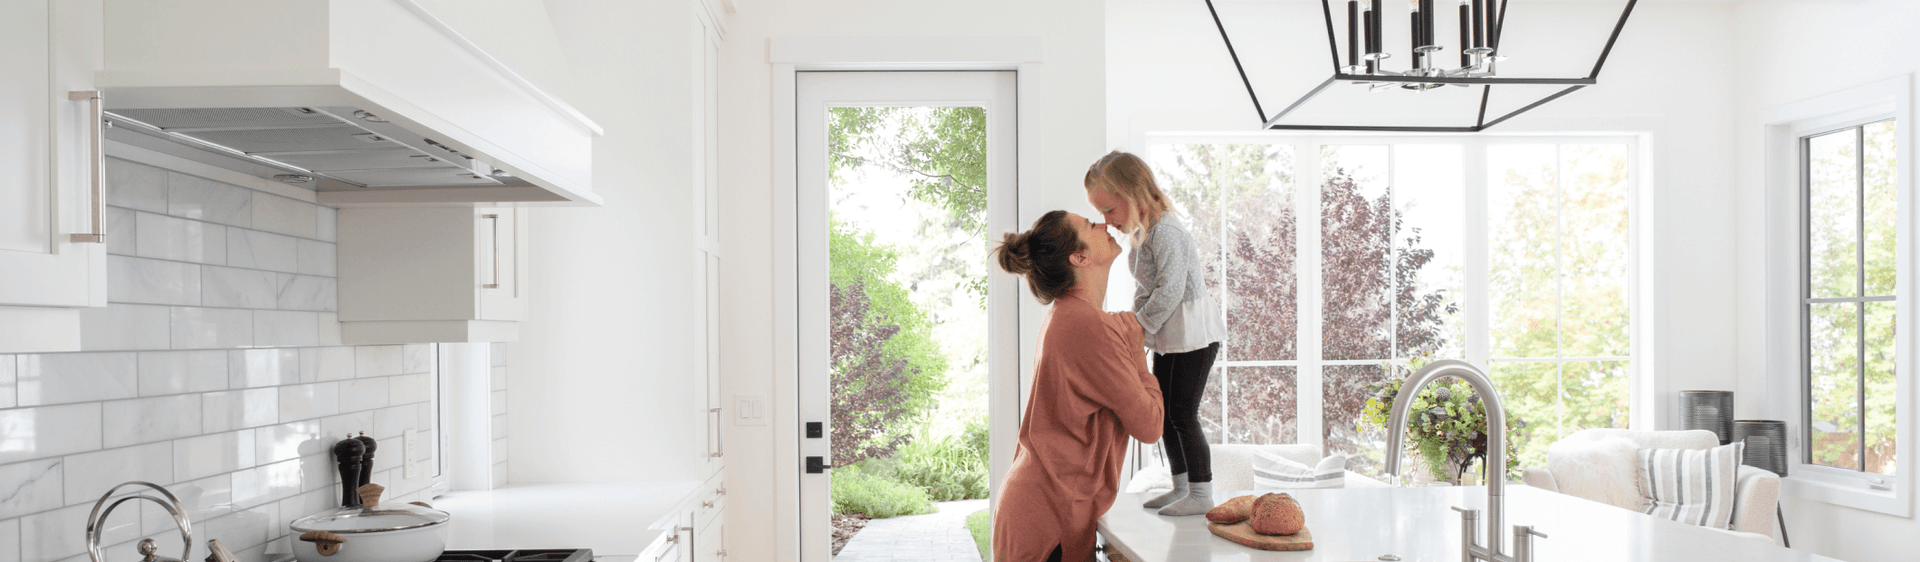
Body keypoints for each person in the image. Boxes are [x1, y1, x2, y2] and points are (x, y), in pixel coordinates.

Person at [990, 210, 1165, 562]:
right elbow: (1150, 426)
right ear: (1079, 256)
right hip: (1047, 520)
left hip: (1037, 507)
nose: (1103, 224)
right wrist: (1136, 351)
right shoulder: (1087, 325)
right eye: (1090, 225)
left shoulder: (1067, 314)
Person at [1084, 150, 1228, 516]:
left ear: (1133, 196)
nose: (1106, 221)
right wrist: (1136, 323)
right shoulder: (1143, 233)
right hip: (1170, 334)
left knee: (1183, 413)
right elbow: (1147, 290)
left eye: (1110, 211)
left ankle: (1201, 492)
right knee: (1162, 412)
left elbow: (1170, 291)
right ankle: (1181, 486)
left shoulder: (1166, 231)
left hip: (1192, 335)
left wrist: (1140, 325)